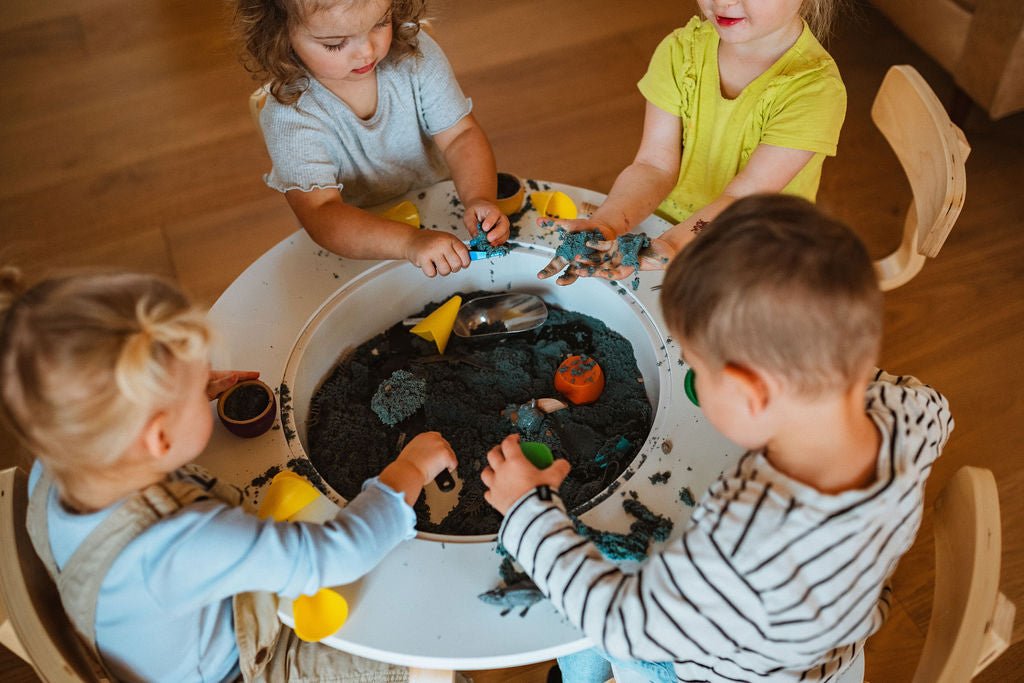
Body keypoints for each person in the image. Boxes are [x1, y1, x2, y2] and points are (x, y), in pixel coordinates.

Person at [483, 195, 954, 682]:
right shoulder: (909, 413)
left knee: (597, 644)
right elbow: (938, 411)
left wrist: (529, 512)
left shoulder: (746, 543)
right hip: (831, 639)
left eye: (698, 368)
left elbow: (622, 622)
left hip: (725, 672)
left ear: (752, 394)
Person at [0, 268, 457, 683]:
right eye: (194, 385)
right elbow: (340, 554)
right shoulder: (185, 543)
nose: (209, 382)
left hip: (145, 631)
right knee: (428, 666)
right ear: (158, 439)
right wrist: (409, 468)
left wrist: (180, 395)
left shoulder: (59, 463)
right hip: (234, 670)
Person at [537, 0, 848, 285]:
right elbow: (653, 165)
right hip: (668, 225)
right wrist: (606, 222)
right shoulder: (681, 50)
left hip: (759, 250)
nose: (723, 2)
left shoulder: (815, 91)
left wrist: (671, 245)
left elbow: (743, 198)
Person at [234, 0, 510, 278]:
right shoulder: (291, 115)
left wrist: (479, 198)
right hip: (360, 240)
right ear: (279, 36)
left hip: (438, 207)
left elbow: (460, 136)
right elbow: (321, 213)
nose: (367, 51)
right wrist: (409, 242)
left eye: (380, 23)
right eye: (335, 44)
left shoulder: (414, 55)